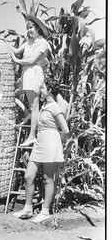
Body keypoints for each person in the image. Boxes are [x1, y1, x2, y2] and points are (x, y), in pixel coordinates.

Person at [13, 78, 69, 223]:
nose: (41, 90)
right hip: (40, 142)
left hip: (51, 142)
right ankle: (28, 209)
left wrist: (59, 143)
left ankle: (45, 212)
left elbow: (65, 130)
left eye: (43, 87)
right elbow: (34, 115)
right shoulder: (44, 105)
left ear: (49, 90)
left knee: (47, 179)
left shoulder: (55, 107)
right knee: (28, 176)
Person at [2, 14, 50, 147]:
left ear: (39, 29)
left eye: (31, 28)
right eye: (27, 28)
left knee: (35, 106)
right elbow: (17, 50)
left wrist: (17, 61)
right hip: (27, 74)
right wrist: (4, 42)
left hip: (34, 72)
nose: (29, 30)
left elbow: (32, 60)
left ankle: (32, 136)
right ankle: (28, 118)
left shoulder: (43, 42)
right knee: (27, 102)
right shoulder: (29, 42)